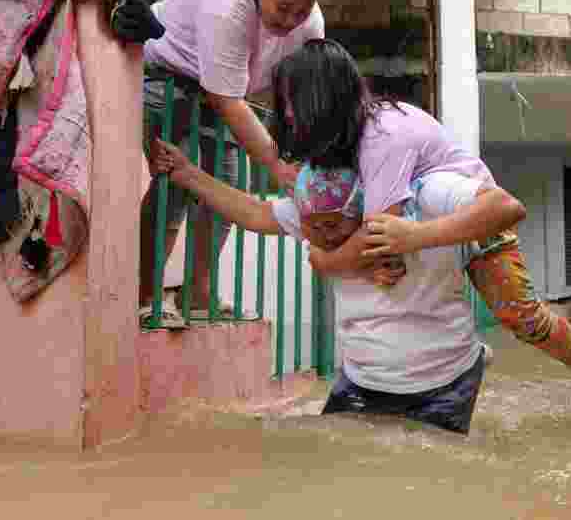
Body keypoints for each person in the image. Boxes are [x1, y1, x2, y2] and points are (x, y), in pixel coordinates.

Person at [270, 40, 571, 425]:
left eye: (293, 102)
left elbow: (376, 234)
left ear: (321, 99)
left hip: (473, 221)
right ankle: (465, 358)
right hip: (417, 223)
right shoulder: (342, 141)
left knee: (524, 319)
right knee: (387, 275)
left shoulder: (382, 134)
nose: (287, 113)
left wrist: (324, 260)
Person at [150, 144, 525, 434]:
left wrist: (418, 236)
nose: (324, 234)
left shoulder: (420, 197)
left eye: (335, 225)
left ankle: (479, 357)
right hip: (364, 379)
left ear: (363, 212)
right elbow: (253, 212)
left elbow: (506, 208)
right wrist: (188, 174)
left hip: (444, 379)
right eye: (314, 226)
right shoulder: (315, 214)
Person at [139, 0, 327, 327]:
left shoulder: (310, 22)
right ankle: (145, 295)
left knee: (225, 184)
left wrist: (301, 152)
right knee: (175, 180)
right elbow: (226, 100)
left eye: (302, 10)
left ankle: (197, 291)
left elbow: (297, 90)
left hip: (225, 92)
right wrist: (279, 168)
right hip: (167, 79)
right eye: (284, 7)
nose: (293, 20)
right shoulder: (226, 8)